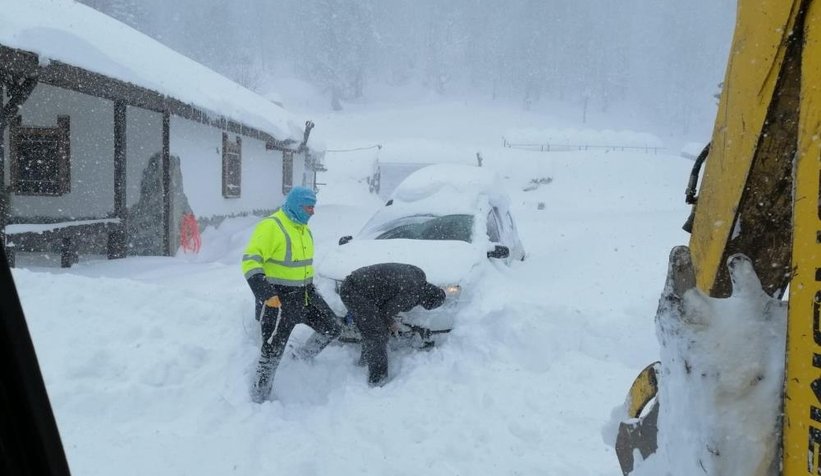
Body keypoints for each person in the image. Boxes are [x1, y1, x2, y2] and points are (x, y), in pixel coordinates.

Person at [241, 186, 341, 403]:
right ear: (296, 205)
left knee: (333, 327)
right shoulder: (272, 226)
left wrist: (310, 290)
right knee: (271, 352)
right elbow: (250, 261)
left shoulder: (304, 229)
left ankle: (301, 358)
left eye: (314, 207)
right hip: (277, 300)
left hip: (305, 296)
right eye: (308, 207)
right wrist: (266, 294)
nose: (312, 212)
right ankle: (259, 398)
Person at [339, 263, 446, 386]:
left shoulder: (419, 275)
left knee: (371, 327)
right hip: (354, 292)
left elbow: (389, 292)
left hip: (360, 284)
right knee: (377, 334)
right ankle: (378, 380)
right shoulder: (411, 294)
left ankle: (365, 360)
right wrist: (391, 323)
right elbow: (385, 311)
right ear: (426, 300)